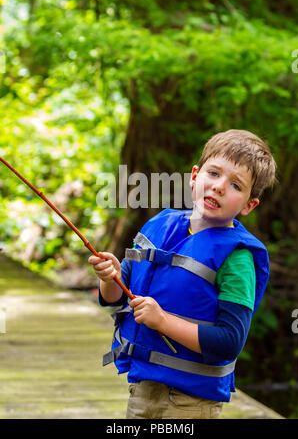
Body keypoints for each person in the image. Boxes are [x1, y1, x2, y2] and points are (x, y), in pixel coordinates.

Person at [88, 129, 277, 419]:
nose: (219, 187)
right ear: (194, 176)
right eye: (213, 174)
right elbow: (113, 298)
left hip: (191, 403)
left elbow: (229, 342)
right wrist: (108, 276)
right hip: (142, 389)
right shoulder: (159, 225)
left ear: (249, 205)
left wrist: (162, 321)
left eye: (236, 185)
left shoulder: (237, 259)